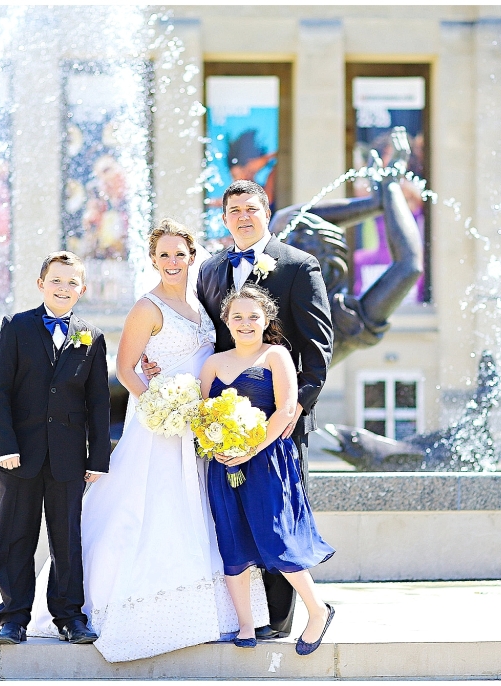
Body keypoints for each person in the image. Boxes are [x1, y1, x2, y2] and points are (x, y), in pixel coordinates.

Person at [28, 220, 269, 662]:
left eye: (180, 254)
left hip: (199, 427)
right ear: (152, 260)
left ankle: (209, 612)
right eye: (164, 255)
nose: (172, 262)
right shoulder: (147, 306)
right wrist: (159, 406)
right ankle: (105, 606)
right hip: (161, 428)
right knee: (150, 509)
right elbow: (125, 368)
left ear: (191, 257)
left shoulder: (202, 305)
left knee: (198, 511)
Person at [144, 179, 334, 639]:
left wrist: (291, 414)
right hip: (218, 420)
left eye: (252, 209)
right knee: (231, 521)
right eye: (234, 211)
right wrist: (160, 365)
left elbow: (318, 349)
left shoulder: (298, 265)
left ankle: (282, 619)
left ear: (266, 212)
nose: (243, 217)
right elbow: (202, 335)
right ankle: (239, 618)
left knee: (274, 519)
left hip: (275, 423)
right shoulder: (210, 268)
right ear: (224, 218)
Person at [199, 285, 335, 653]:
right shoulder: (213, 363)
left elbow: (287, 409)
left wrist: (250, 449)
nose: (245, 323)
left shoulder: (276, 355)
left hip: (267, 461)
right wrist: (218, 445)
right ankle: (245, 624)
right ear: (226, 320)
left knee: (276, 539)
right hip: (222, 465)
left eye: (253, 317)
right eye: (237, 317)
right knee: (232, 541)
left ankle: (318, 611)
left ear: (267, 320)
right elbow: (201, 414)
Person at [0, 251, 111, 646]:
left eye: (72, 282)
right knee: (16, 535)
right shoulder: (17, 327)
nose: (63, 288)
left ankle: (71, 616)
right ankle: (13, 618)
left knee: (67, 539)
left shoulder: (91, 336)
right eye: (56, 280)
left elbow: (98, 403)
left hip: (69, 458)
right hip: (19, 454)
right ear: (41, 284)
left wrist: (98, 459)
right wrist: (4, 446)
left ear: (82, 289)